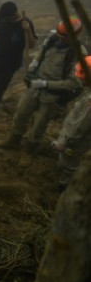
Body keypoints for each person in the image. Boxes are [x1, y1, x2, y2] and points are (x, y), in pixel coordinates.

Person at [5, 17, 85, 159]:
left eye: (64, 36)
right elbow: (42, 51)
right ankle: (13, 141)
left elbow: (74, 83)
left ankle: (31, 149)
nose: (60, 38)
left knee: (40, 125)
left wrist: (46, 84)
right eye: (59, 34)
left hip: (52, 95)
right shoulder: (53, 39)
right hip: (35, 86)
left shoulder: (78, 54)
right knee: (21, 113)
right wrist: (34, 65)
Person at [51, 56, 91, 191]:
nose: (79, 78)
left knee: (70, 165)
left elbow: (80, 126)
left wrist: (65, 143)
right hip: (77, 140)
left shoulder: (89, 102)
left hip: (77, 143)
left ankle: (64, 187)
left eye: (82, 75)